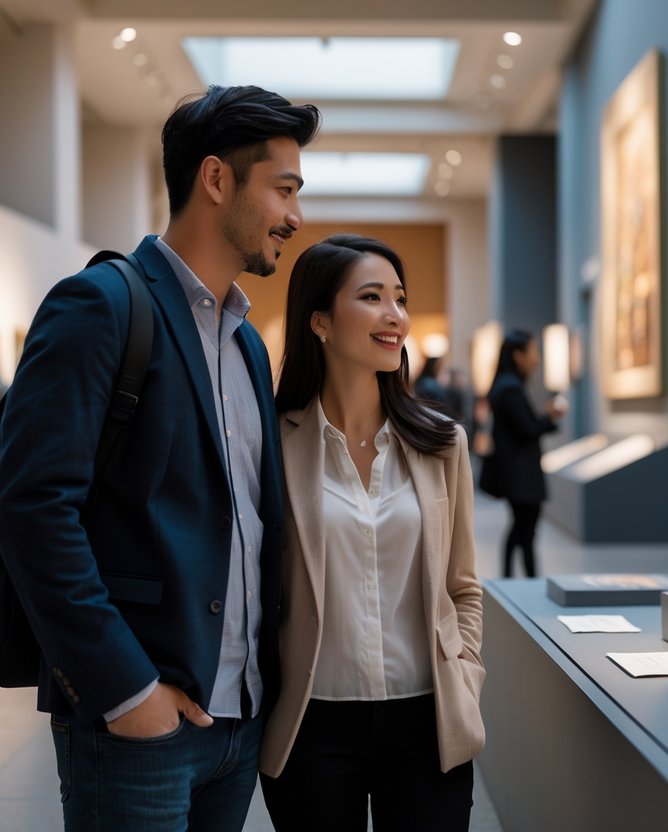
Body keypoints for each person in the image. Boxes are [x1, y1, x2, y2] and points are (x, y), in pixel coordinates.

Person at [0, 85, 320, 831]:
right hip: (138, 726)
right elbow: (31, 509)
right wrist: (126, 692)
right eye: (284, 189)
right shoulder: (100, 306)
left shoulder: (246, 341)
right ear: (215, 179)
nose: (295, 218)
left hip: (236, 719)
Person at [259, 235, 484, 831]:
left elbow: (463, 587)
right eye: (372, 297)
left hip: (427, 723)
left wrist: (466, 676)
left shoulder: (442, 443)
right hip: (312, 725)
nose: (396, 315)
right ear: (321, 322)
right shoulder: (274, 445)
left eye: (400, 298)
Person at [484, 328, 565, 578]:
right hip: (520, 473)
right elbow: (526, 429)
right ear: (518, 355)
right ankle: (524, 579)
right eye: (533, 351)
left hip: (515, 470)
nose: (537, 358)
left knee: (521, 528)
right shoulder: (510, 389)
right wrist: (550, 417)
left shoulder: (506, 386)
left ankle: (516, 577)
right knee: (524, 529)